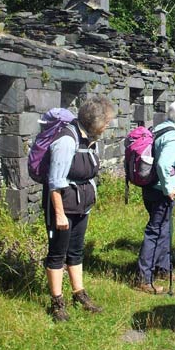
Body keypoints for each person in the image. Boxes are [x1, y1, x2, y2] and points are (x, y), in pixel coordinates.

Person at [44, 95, 115, 322]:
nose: (107, 126)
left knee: (75, 251)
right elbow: (55, 181)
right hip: (62, 207)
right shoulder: (67, 141)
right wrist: (59, 214)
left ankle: (79, 293)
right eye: (106, 122)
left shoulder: (88, 139)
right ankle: (57, 303)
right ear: (94, 121)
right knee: (58, 254)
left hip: (81, 207)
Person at [137, 100, 175, 294]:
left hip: (150, 187)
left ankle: (163, 268)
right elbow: (163, 163)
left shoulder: (159, 129)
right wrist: (169, 188)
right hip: (161, 190)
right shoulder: (174, 136)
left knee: (164, 229)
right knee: (155, 230)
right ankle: (144, 278)